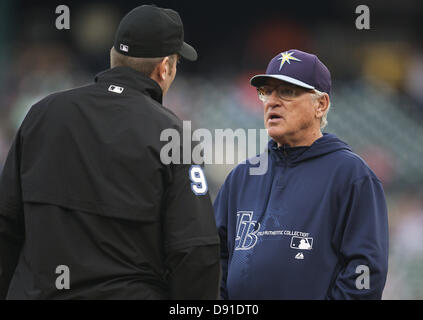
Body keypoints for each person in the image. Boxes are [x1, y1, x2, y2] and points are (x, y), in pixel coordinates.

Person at [0, 5, 220, 299]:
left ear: (113, 56)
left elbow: (6, 224)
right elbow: (195, 251)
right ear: (165, 67)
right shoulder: (174, 135)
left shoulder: (42, 113)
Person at [214, 49, 389, 299]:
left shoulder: (351, 175)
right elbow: (215, 259)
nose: (272, 101)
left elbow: (365, 273)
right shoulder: (242, 176)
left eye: (287, 91)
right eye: (267, 91)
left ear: (321, 104)